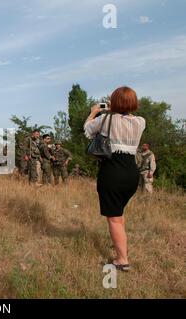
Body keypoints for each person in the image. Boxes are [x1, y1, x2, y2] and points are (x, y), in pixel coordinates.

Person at [84, 86, 146, 272]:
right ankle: (122, 248)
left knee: (114, 219)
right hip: (131, 174)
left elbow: (87, 130)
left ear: (114, 102)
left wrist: (94, 112)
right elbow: (125, 117)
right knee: (119, 214)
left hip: (112, 173)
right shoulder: (141, 122)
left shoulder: (105, 119)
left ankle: (122, 260)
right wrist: (117, 107)